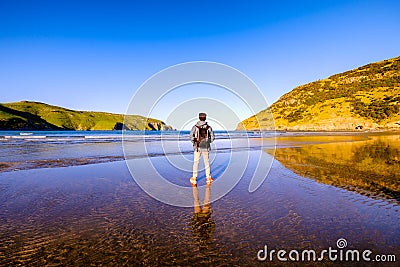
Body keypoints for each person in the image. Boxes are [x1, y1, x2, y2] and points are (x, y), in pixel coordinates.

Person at [189, 112, 215, 186]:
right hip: (206, 147)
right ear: (205, 118)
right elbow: (213, 138)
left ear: (199, 118)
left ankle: (194, 178)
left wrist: (194, 143)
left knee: (196, 162)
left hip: (197, 147)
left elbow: (191, 136)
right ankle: (208, 178)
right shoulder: (209, 127)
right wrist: (208, 142)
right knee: (206, 163)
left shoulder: (195, 127)